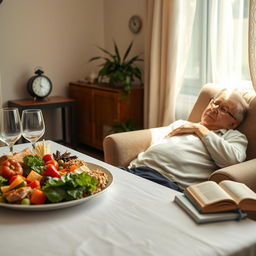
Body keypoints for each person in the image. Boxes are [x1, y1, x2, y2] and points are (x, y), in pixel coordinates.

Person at [119, 89, 249, 192]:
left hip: (165, 181)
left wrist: (200, 129)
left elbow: (233, 160)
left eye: (224, 109)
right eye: (215, 103)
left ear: (233, 124)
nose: (214, 109)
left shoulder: (233, 136)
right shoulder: (182, 124)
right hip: (135, 169)